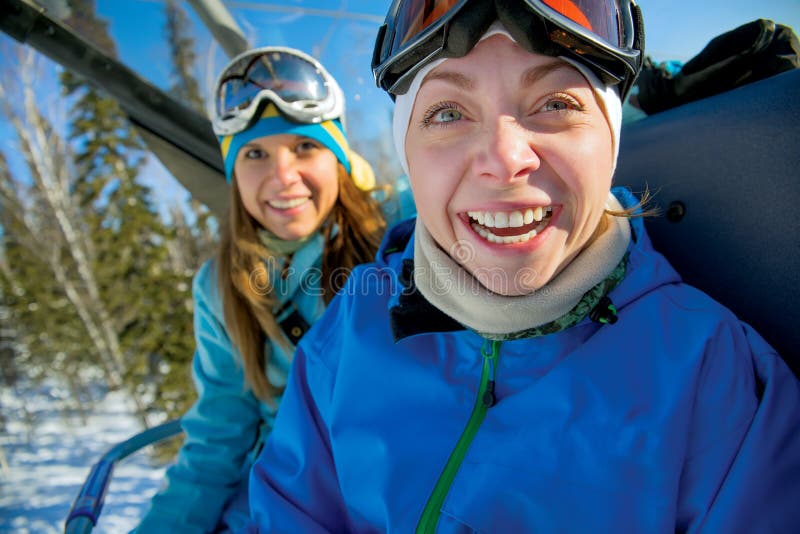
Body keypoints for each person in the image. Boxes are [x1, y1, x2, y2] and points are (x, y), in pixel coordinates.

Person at [245, 1, 800, 532]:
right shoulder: (353, 325)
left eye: (556, 103)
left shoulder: (712, 374)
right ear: (409, 154)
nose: (506, 159)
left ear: (609, 140)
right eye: (447, 112)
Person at [135, 46, 412, 533]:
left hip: (399, 485)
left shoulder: (398, 230)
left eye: (305, 147)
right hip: (275, 500)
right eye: (256, 154)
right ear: (234, 174)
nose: (282, 178)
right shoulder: (222, 286)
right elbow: (221, 431)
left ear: (340, 158)